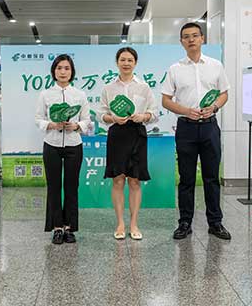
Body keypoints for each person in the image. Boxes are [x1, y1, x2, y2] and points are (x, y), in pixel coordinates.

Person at [161, 22, 232, 241]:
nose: (191, 39)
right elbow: (165, 100)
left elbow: (224, 93)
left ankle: (215, 223)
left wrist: (215, 107)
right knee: (186, 178)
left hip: (210, 126)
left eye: (195, 35)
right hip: (186, 128)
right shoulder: (175, 69)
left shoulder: (215, 65)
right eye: (186, 37)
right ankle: (185, 223)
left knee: (211, 177)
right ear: (181, 42)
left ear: (202, 39)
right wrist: (186, 111)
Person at [99, 47, 158, 241]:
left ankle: (133, 223)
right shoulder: (108, 88)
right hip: (117, 134)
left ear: (135, 63)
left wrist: (144, 116)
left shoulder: (144, 87)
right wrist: (113, 118)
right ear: (117, 62)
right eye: (122, 60)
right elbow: (101, 115)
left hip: (137, 134)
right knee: (118, 180)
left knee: (134, 180)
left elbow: (154, 112)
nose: (126, 63)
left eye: (130, 60)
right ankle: (120, 224)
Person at [35, 54, 91, 244]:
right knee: (53, 187)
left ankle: (69, 227)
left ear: (72, 71)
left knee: (71, 187)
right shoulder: (45, 94)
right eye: (59, 68)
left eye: (67, 68)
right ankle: (57, 227)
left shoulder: (80, 95)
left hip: (74, 145)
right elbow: (38, 119)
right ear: (54, 71)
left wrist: (76, 126)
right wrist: (51, 124)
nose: (63, 72)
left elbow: (87, 120)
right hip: (51, 144)